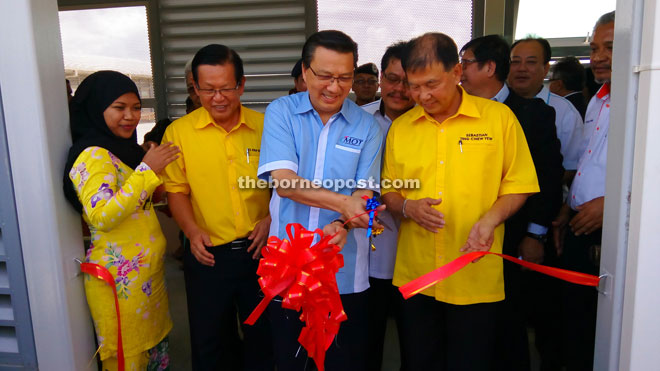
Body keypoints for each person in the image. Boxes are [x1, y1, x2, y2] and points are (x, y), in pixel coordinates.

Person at [381, 32, 539, 370]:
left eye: (432, 84)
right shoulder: (402, 129)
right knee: (419, 362)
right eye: (414, 86)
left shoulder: (498, 120)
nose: (422, 95)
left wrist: (490, 220)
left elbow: (520, 184)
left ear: (456, 72)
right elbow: (389, 190)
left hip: (474, 274)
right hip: (418, 276)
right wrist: (407, 207)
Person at [257, 30, 384, 370]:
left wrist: (347, 222)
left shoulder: (368, 127)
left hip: (344, 273)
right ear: (305, 71)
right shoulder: (281, 112)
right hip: (287, 267)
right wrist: (344, 206)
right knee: (290, 360)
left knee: (342, 360)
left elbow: (365, 194)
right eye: (324, 76)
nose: (334, 87)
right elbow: (284, 183)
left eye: (345, 78)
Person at [161, 44, 274, 370]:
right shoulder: (179, 134)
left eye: (226, 88)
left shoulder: (266, 127)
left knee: (262, 338)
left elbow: (284, 185)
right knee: (210, 342)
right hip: (208, 255)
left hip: (261, 252)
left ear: (241, 84)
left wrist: (270, 218)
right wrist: (191, 231)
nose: (218, 97)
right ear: (194, 89)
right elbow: (177, 190)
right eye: (208, 90)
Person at [460, 34, 565, 371]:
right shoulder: (461, 113)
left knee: (508, 324)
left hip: (512, 237)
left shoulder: (532, 114)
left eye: (466, 63)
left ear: (489, 68)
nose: (459, 71)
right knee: (474, 326)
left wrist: (534, 235)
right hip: (466, 240)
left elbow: (547, 180)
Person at [63, 70, 180, 370]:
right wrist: (145, 171)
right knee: (129, 359)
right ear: (97, 107)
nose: (130, 116)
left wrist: (152, 174)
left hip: (145, 280)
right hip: (119, 285)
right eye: (119, 107)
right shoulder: (92, 155)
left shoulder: (122, 150)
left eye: (136, 108)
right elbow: (101, 215)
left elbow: (137, 201)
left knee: (152, 353)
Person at [552, 11, 615, 370]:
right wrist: (566, 210)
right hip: (578, 223)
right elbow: (587, 164)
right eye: (595, 47)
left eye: (610, 47)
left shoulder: (648, 103)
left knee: (605, 328)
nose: (600, 56)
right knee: (573, 322)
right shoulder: (596, 100)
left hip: (614, 229)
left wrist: (611, 205)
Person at [360, 41, 414, 371]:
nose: (399, 89)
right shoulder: (358, 119)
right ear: (380, 77)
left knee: (418, 343)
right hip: (367, 254)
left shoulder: (431, 125)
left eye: (409, 81)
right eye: (392, 78)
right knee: (366, 340)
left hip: (416, 255)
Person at [508, 37, 584, 177]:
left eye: (531, 62)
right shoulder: (496, 105)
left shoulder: (565, 112)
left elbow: (571, 166)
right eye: (515, 62)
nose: (522, 68)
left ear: (546, 68)